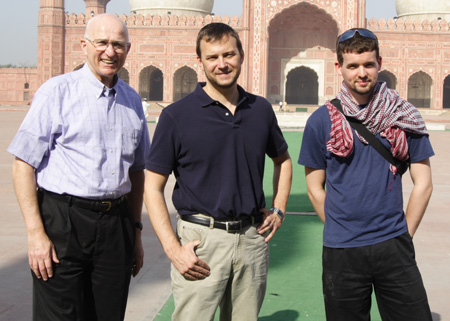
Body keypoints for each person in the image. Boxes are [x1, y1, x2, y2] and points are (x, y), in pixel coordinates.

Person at [144, 22, 292, 321]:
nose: (222, 64)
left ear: (242, 55)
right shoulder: (177, 116)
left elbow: (283, 160)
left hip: (251, 237)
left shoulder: (260, 109)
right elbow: (152, 187)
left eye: (229, 55)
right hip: (202, 241)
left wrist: (279, 208)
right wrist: (173, 249)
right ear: (199, 61)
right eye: (212, 57)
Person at [8, 13, 150, 320]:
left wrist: (135, 233)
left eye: (118, 44)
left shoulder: (133, 101)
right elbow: (23, 165)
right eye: (102, 43)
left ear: (128, 48)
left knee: (108, 315)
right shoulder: (57, 92)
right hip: (63, 221)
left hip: (116, 223)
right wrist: (35, 233)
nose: (110, 52)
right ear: (83, 44)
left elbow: (137, 171)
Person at [298, 28, 434, 320]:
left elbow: (423, 184)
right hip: (342, 250)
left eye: (368, 64)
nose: (362, 73)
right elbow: (314, 188)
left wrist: (403, 235)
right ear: (339, 67)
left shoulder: (403, 115)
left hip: (393, 243)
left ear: (379, 63)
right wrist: (340, 227)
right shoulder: (321, 121)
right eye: (353, 66)